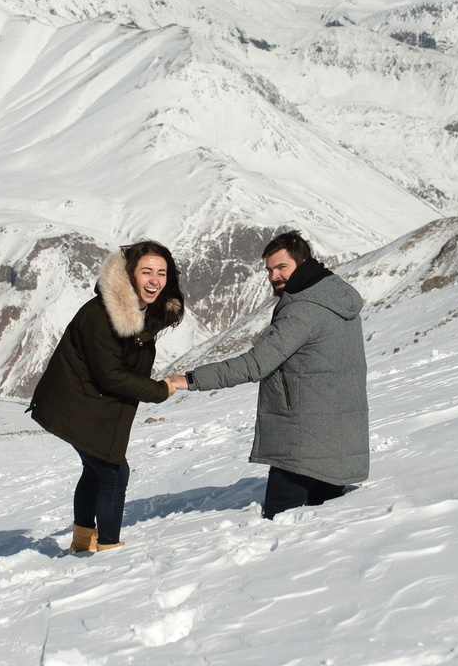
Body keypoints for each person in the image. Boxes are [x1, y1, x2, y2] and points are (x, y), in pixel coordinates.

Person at [168, 230, 368, 519]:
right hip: (338, 441)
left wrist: (189, 380)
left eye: (281, 267)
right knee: (323, 528)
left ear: (302, 262)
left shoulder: (302, 311)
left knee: (277, 526)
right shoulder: (337, 297)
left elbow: (254, 364)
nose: (274, 276)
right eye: (270, 269)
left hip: (301, 443)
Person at [28, 240, 184, 554]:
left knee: (96, 469)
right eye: (146, 272)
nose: (154, 280)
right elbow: (109, 374)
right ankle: (109, 548)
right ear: (130, 274)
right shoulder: (103, 314)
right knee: (113, 472)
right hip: (75, 404)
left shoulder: (141, 310)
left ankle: (83, 542)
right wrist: (159, 390)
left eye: (162, 273)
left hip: (92, 403)